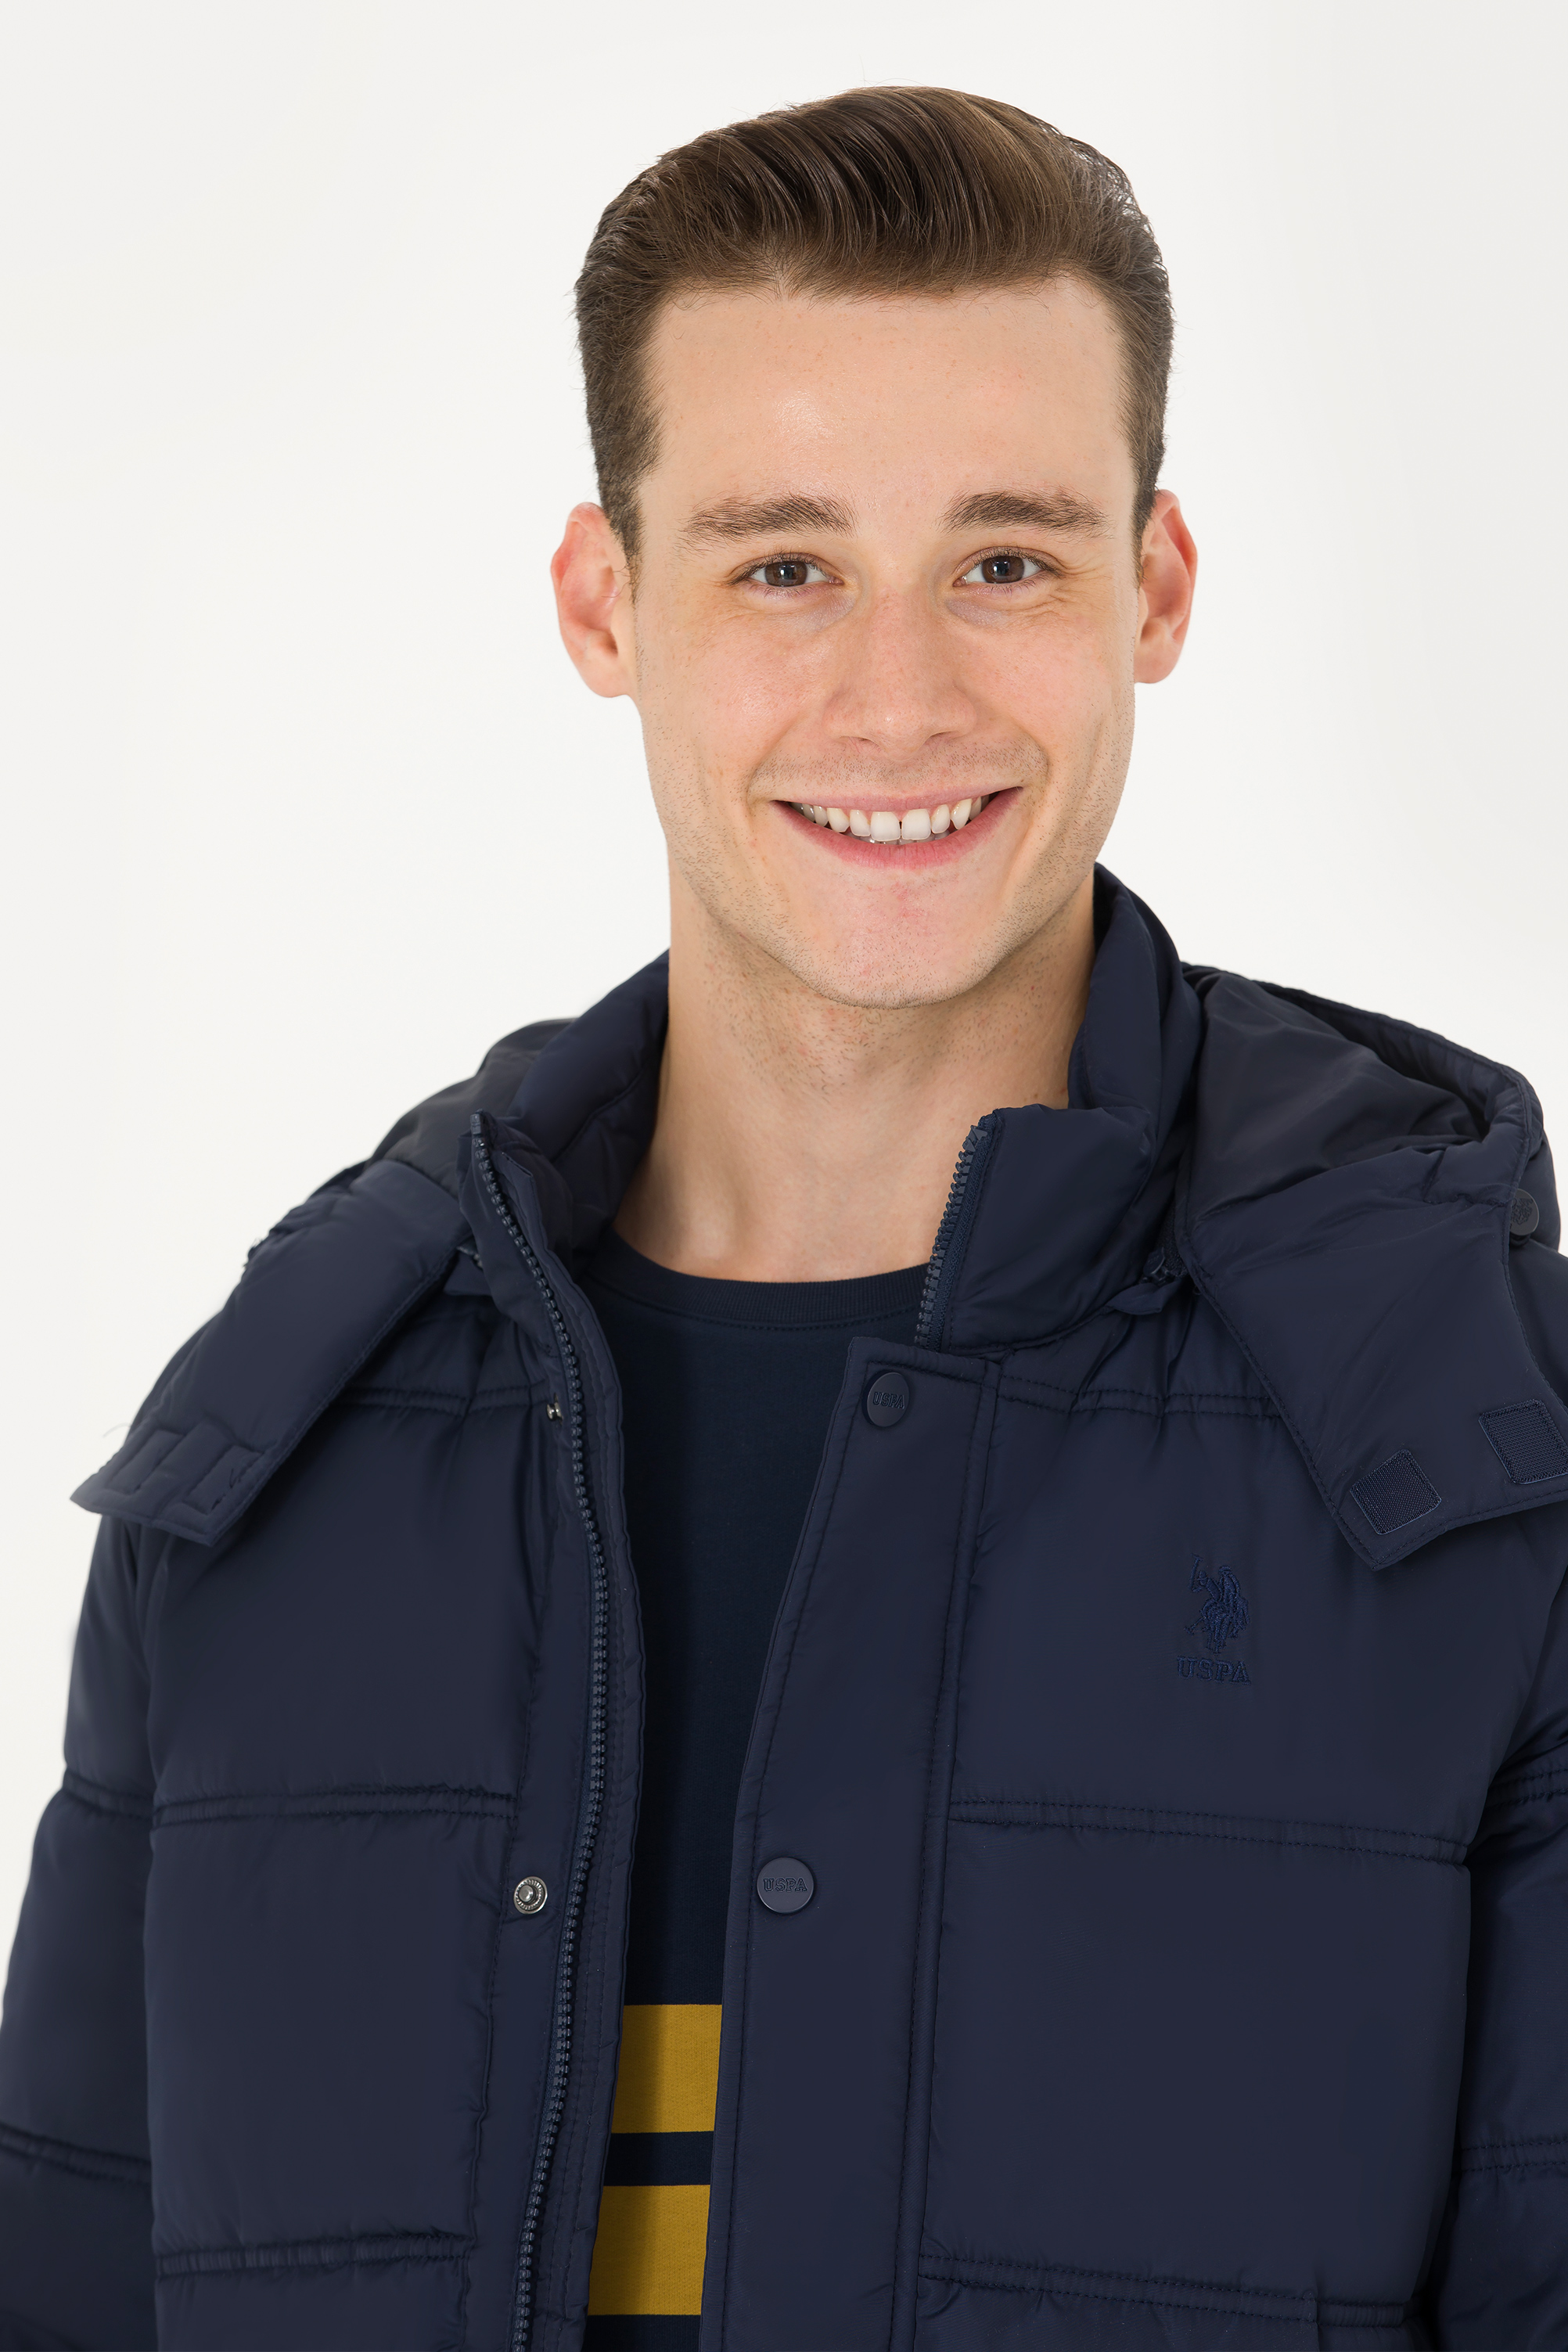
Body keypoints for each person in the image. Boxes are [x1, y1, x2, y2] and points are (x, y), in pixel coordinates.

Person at [1, 82, 1565, 2352]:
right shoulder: (273, 1459)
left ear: (1153, 591)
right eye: (783, 565)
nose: (897, 699)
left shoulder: (1478, 1457)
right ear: (604, 601)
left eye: (1005, 561)